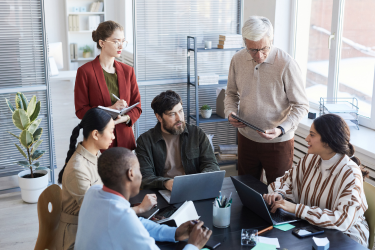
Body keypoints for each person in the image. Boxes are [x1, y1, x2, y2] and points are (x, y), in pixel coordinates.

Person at [55, 108, 156, 250]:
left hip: (94, 229)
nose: (113, 137)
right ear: (96, 134)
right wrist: (139, 209)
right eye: (111, 131)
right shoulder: (78, 169)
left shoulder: (96, 156)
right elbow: (97, 215)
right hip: (77, 239)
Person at [224, 16, 309, 184]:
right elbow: (231, 94)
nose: (259, 55)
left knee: (278, 196)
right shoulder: (237, 60)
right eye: (252, 50)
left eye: (264, 48)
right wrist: (230, 112)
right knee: (245, 189)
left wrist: (281, 129)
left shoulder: (287, 64)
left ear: (272, 40)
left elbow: (301, 106)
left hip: (278, 143)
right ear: (245, 43)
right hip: (246, 138)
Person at [263, 114, 369, 247]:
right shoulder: (311, 158)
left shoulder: (350, 173)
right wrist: (279, 193)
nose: (307, 138)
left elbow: (342, 220)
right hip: (313, 227)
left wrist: (297, 209)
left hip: (346, 236)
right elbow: (286, 180)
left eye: (312, 135)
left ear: (328, 140)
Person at [75, 147, 212, 250]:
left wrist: (174, 233)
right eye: (139, 170)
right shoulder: (122, 218)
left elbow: (137, 223)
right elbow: (130, 222)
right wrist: (194, 245)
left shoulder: (93, 193)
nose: (141, 175)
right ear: (131, 174)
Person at [74, 20, 141, 150]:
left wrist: (125, 118)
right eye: (116, 41)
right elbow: (81, 110)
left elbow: (137, 106)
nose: (121, 46)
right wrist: (111, 109)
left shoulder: (128, 71)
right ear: (102, 43)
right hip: (99, 142)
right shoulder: (85, 72)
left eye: (123, 41)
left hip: (125, 142)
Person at [136, 90, 220, 190]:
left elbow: (211, 165)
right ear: (159, 117)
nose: (179, 118)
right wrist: (166, 183)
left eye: (180, 111)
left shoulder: (196, 133)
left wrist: (198, 181)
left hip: (193, 187)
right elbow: (145, 177)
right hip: (163, 191)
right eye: (172, 114)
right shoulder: (145, 141)